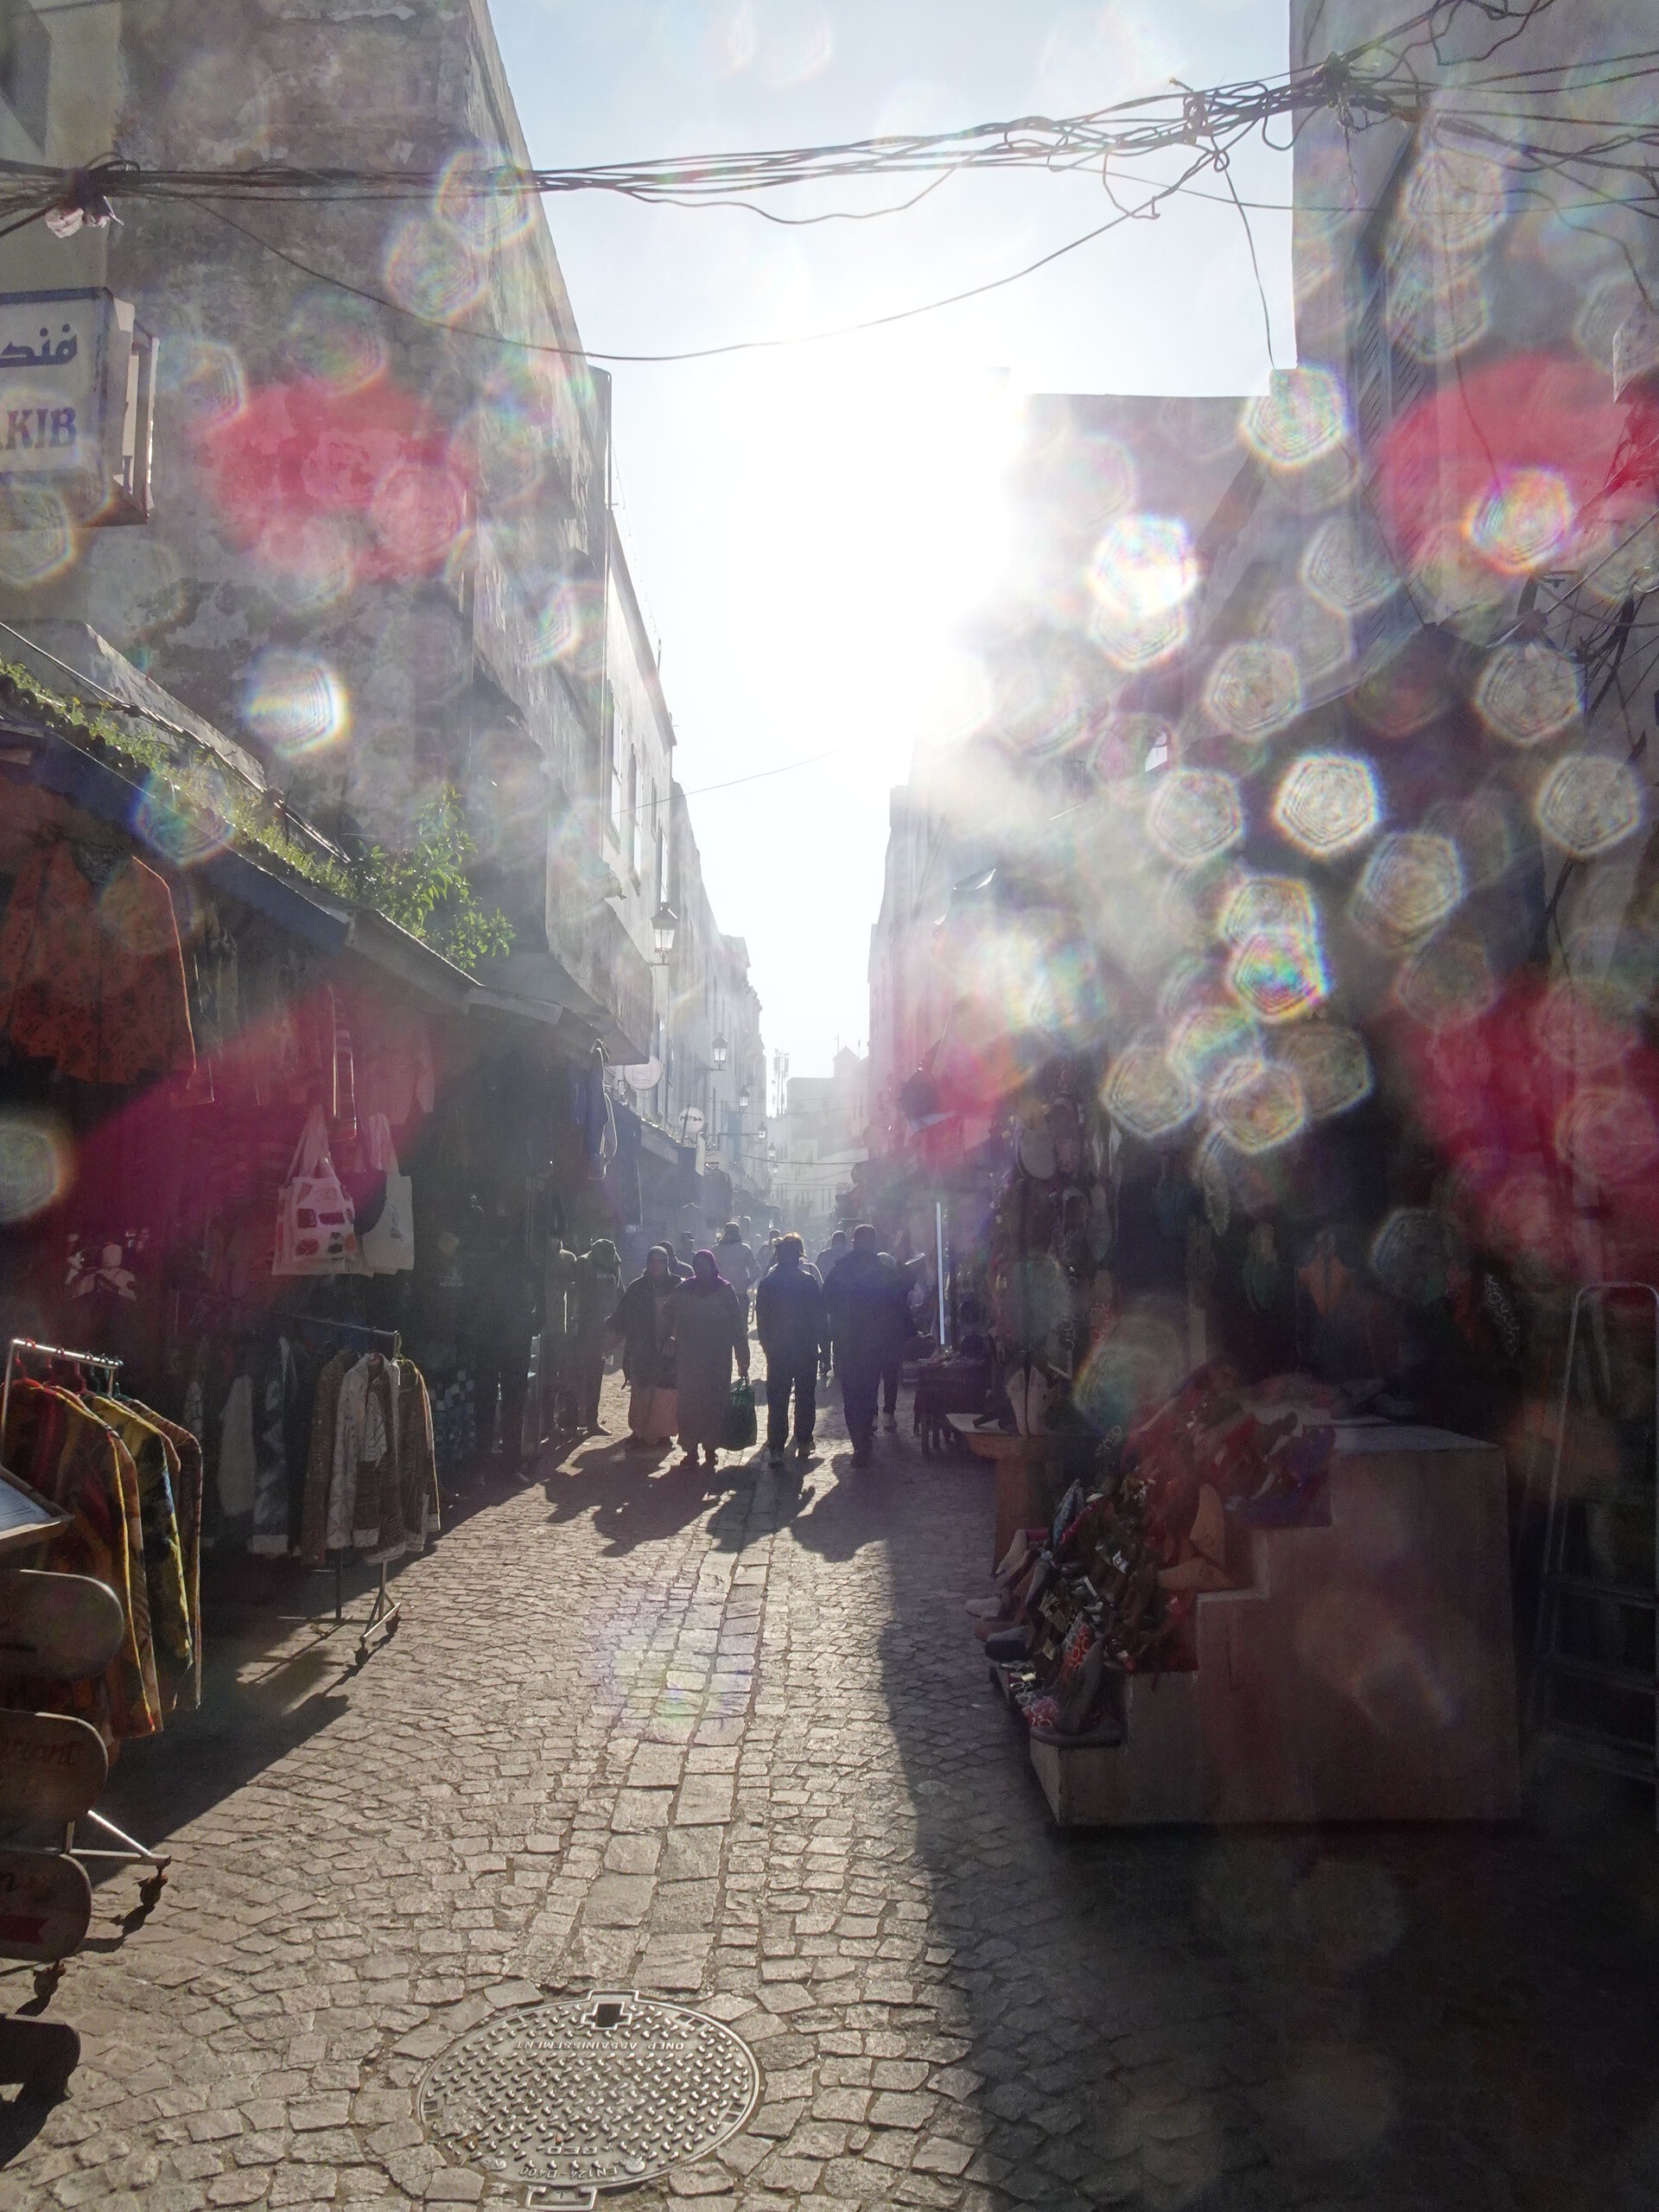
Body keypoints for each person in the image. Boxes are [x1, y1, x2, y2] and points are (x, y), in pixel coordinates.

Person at [826, 1224, 907, 1467]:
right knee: (869, 1390)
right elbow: (899, 1302)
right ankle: (864, 1439)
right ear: (873, 1243)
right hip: (875, 1344)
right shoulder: (884, 1269)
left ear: (854, 1242)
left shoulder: (841, 1269)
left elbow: (827, 1300)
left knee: (852, 1395)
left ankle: (860, 1442)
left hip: (848, 1343)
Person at [666, 1249, 749, 1473]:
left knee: (714, 1402)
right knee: (689, 1403)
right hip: (689, 1358)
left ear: (712, 1266)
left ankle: (711, 1448)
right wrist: (667, 1339)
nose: (701, 1270)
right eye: (698, 1265)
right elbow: (668, 1312)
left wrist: (743, 1354)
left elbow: (737, 1325)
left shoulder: (725, 1290)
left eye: (705, 1265)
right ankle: (691, 1449)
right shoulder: (684, 1290)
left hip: (717, 1358)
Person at [754, 1233, 827, 1467]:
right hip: (805, 1349)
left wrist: (768, 1347)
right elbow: (819, 1319)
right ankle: (804, 1441)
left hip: (778, 1352)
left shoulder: (768, 1284)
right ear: (799, 1256)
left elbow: (761, 1322)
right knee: (805, 1397)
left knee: (778, 1400)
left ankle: (776, 1447)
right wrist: (824, 1349)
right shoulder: (808, 1282)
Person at [607, 1245, 677, 1447]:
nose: (655, 1266)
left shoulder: (676, 1285)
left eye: (659, 1262)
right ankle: (638, 1432)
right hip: (642, 1347)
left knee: (664, 1392)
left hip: (667, 1348)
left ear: (666, 1264)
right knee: (641, 1390)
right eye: (651, 1261)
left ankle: (663, 1432)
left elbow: (683, 1316)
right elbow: (623, 1314)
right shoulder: (637, 1287)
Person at [574, 1237, 624, 1431]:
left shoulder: (614, 1265)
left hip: (603, 1330)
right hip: (585, 1328)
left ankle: (590, 1420)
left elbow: (619, 1292)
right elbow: (580, 1295)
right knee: (579, 1374)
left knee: (596, 1375)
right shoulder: (585, 1263)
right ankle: (575, 1418)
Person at [876, 1246, 918, 1431]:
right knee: (891, 1375)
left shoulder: (871, 1283)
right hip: (894, 1334)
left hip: (874, 1335)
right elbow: (911, 1279)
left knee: (873, 1376)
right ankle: (888, 1413)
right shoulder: (897, 1283)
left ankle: (873, 1415)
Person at [816, 1229, 851, 1375]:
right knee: (841, 1331)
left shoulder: (824, 1255)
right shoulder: (851, 1254)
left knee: (824, 1331)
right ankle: (839, 1361)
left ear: (832, 1241)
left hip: (826, 1298)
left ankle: (825, 1360)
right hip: (847, 1300)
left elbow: (817, 1277)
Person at [716, 1221, 757, 1330]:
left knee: (721, 1330)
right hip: (740, 1294)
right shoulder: (745, 1249)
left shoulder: (715, 1250)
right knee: (741, 1331)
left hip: (719, 1296)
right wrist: (747, 1282)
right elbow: (756, 1271)